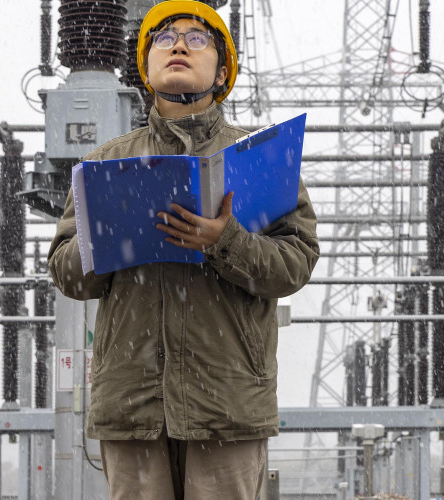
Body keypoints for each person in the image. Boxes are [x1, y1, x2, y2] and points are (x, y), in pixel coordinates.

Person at [45, 2, 319, 498]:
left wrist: (226, 241)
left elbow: (294, 265)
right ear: (145, 69)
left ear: (222, 71)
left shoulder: (261, 158)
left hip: (227, 406)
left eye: (197, 39)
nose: (177, 45)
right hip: (134, 405)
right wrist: (113, 239)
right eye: (163, 38)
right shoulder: (104, 164)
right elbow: (67, 274)